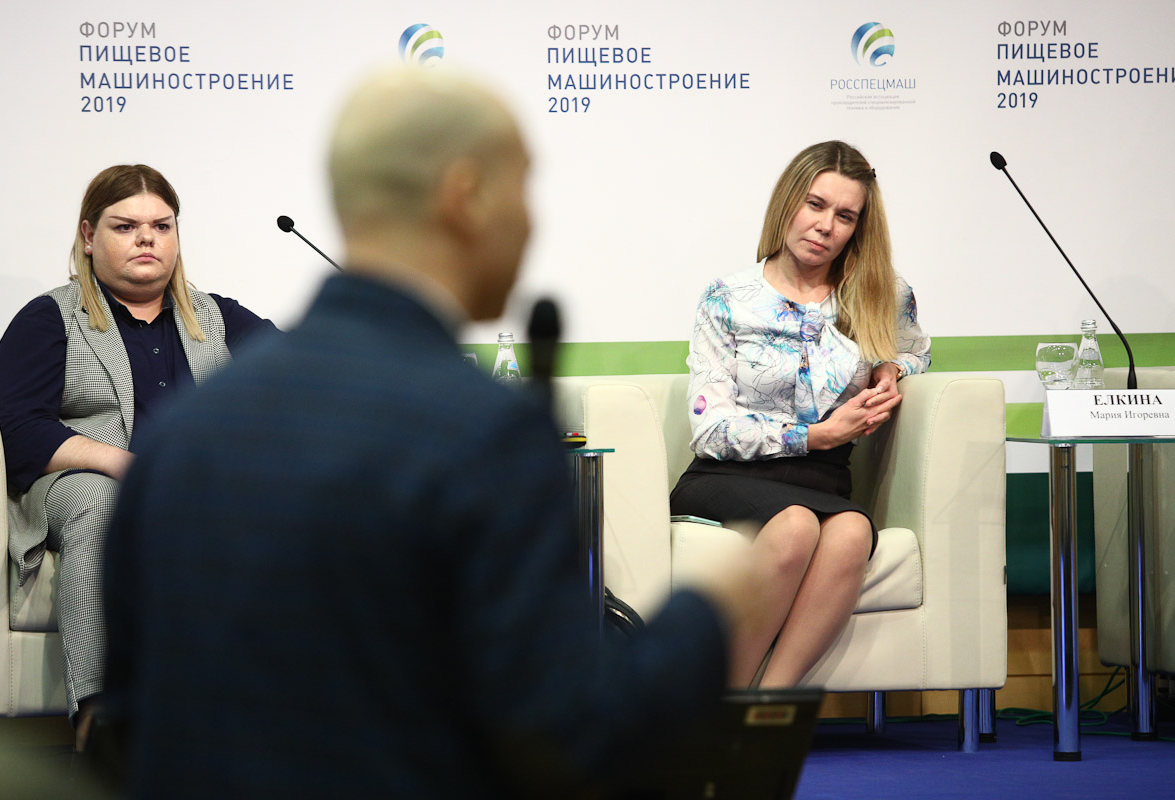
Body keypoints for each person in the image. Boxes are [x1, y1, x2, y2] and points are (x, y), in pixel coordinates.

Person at [101, 69, 765, 797]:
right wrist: (711, 610)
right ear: (465, 195)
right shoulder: (488, 434)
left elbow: (133, 727)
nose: (531, 221)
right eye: (524, 186)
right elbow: (572, 742)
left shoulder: (180, 438)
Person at [0, 164, 275, 750]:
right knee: (107, 504)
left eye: (161, 226)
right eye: (125, 226)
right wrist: (126, 465)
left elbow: (293, 377)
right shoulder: (50, 318)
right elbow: (17, 427)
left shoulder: (217, 316)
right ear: (89, 235)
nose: (147, 238)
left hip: (192, 487)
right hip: (82, 479)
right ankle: (104, 722)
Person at [669, 140, 931, 690]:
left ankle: (769, 707)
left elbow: (918, 351)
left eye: (845, 216)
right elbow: (711, 429)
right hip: (729, 476)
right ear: (788, 202)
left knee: (853, 531)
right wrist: (817, 435)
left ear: (858, 228)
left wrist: (891, 368)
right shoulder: (728, 297)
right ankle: (721, 707)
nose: (825, 226)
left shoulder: (882, 293)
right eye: (815, 204)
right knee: (793, 526)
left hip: (823, 479)